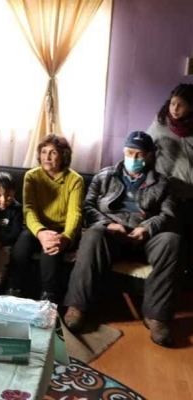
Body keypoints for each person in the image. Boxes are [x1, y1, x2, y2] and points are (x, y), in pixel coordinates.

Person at [63, 131, 181, 347]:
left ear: (149, 156)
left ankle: (156, 317)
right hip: (112, 235)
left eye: (139, 154)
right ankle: (77, 306)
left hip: (145, 238)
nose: (133, 158)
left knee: (172, 241)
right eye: (129, 153)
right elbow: (87, 207)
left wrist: (147, 228)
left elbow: (169, 215)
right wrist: (108, 224)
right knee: (93, 234)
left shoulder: (162, 183)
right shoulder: (104, 176)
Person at [7, 134, 84, 303]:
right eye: (43, 152)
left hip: (62, 231)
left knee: (51, 250)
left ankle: (48, 297)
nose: (47, 157)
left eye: (53, 153)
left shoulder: (75, 180)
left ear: (63, 156)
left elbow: (75, 214)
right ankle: (13, 291)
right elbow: (29, 210)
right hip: (37, 228)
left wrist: (65, 238)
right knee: (22, 244)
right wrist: (41, 232)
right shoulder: (31, 176)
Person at [147, 83, 193, 283]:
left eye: (181, 105)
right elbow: (145, 148)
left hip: (189, 194)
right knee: (169, 237)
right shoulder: (160, 123)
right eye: (173, 103)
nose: (175, 108)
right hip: (166, 193)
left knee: (188, 239)